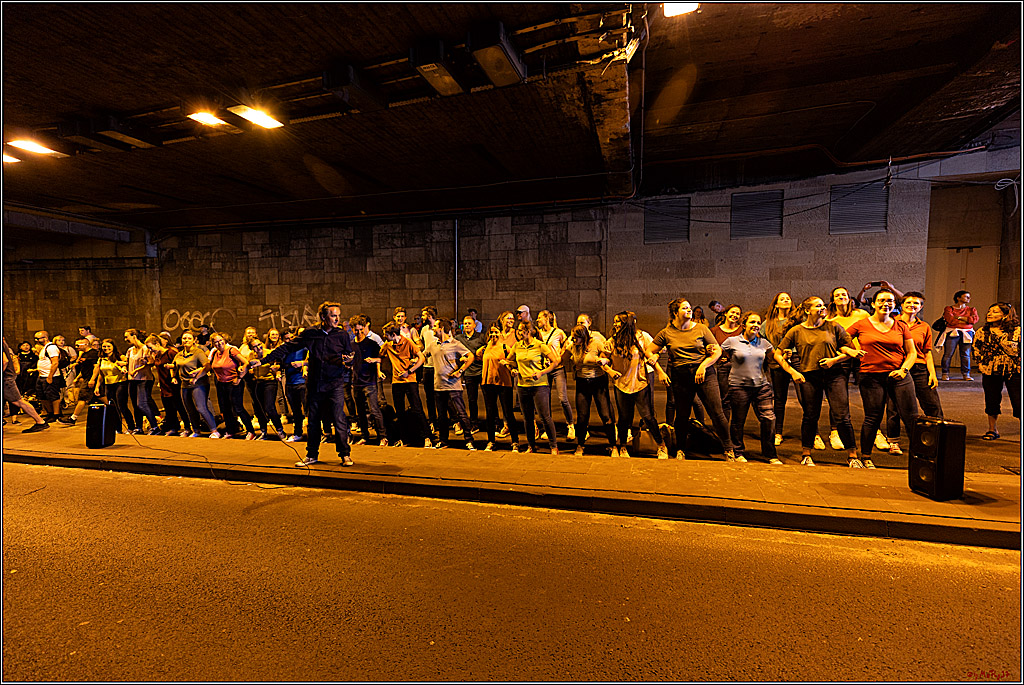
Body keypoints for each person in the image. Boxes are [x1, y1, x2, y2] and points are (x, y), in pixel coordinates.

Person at [257, 302, 356, 467]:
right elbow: (287, 347)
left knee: (339, 419)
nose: (337, 319)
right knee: (313, 420)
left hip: (335, 383)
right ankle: (312, 455)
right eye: (333, 315)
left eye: (338, 315)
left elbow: (349, 356)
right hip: (315, 384)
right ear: (323, 317)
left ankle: (345, 455)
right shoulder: (311, 334)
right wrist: (262, 361)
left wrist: (349, 361)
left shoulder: (342, 335)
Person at [774, 296, 860, 467]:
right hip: (809, 376)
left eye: (823, 305)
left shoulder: (834, 326)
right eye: (817, 306)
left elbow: (849, 350)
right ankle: (806, 453)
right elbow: (778, 353)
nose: (822, 308)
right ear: (807, 310)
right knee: (810, 415)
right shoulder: (796, 331)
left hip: (834, 375)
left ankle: (852, 455)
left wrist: (834, 360)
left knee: (842, 415)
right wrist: (792, 371)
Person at [649, 298, 735, 461]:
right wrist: (659, 369)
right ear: (675, 313)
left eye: (689, 308)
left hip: (704, 373)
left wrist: (703, 366)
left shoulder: (702, 329)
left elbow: (717, 351)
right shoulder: (667, 332)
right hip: (680, 375)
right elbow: (649, 351)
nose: (689, 310)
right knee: (682, 414)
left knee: (717, 412)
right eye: (685, 308)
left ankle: (729, 449)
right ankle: (681, 449)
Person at [846, 289, 918, 468]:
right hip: (871, 377)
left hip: (898, 375)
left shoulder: (901, 326)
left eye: (890, 301)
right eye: (882, 300)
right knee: (873, 417)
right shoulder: (861, 325)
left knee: (911, 417)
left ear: (895, 304)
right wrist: (851, 351)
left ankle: (920, 458)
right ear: (873, 304)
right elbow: (840, 341)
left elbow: (912, 353)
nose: (886, 304)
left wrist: (903, 370)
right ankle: (866, 457)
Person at [602, 312, 670, 459]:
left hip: (640, 383)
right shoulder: (613, 341)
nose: (615, 324)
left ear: (626, 323)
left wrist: (660, 371)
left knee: (647, 416)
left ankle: (661, 445)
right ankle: (623, 447)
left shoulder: (641, 337)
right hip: (621, 383)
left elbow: (654, 352)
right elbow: (603, 359)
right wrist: (609, 370)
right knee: (624, 417)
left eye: (618, 322)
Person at [884, 291, 943, 453]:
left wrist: (932, 373)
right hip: (898, 368)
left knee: (932, 406)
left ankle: (937, 439)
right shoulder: (891, 322)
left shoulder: (924, 326)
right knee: (894, 407)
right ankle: (894, 441)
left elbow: (927, 352)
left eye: (916, 303)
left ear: (921, 307)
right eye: (908, 303)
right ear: (901, 305)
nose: (912, 306)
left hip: (919, 369)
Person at [721, 312, 780, 464]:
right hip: (738, 387)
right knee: (738, 421)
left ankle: (770, 454)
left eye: (758, 322)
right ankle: (738, 451)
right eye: (752, 322)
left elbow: (775, 357)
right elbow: (717, 353)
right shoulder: (732, 341)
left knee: (769, 418)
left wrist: (788, 363)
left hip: (761, 386)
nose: (756, 325)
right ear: (744, 325)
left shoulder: (764, 343)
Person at [825, 286, 871, 450]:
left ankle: (875, 430)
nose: (841, 297)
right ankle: (835, 431)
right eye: (837, 295)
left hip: (861, 357)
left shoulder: (861, 314)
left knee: (869, 393)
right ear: (833, 300)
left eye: (844, 294)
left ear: (849, 297)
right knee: (838, 395)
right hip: (840, 358)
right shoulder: (829, 319)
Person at [506, 320, 560, 455]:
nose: (518, 333)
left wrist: (542, 372)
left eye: (520, 330)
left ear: (528, 331)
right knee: (527, 418)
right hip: (522, 385)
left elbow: (555, 362)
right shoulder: (517, 346)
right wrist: (513, 369)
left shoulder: (540, 345)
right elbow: (509, 360)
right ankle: (531, 445)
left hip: (539, 385)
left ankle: (553, 446)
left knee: (545, 417)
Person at [423, 317, 476, 450]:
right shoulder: (433, 344)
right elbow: (422, 355)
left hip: (453, 386)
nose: (433, 328)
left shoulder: (455, 343)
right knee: (441, 415)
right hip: (438, 386)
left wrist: (460, 371)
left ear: (441, 329)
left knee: (461, 413)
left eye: (435, 326)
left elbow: (470, 356)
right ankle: (443, 440)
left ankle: (469, 440)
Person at [973, 303, 1021, 440]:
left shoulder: (1017, 331)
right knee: (992, 399)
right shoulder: (982, 331)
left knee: (1018, 402)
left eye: (995, 312)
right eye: (989, 311)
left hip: (1014, 370)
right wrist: (981, 364)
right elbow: (976, 349)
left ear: (1006, 315)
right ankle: (992, 429)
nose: (990, 314)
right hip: (990, 370)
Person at [567, 324, 615, 456]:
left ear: (583, 337)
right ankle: (580, 445)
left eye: (576, 338)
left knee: (606, 415)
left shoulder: (596, 343)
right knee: (582, 416)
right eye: (572, 338)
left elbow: (608, 358)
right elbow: (561, 358)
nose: (573, 340)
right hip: (582, 383)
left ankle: (613, 445)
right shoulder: (573, 347)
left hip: (598, 382)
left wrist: (604, 360)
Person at [381, 322, 431, 447]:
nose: (385, 337)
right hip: (396, 381)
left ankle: (427, 437)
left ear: (393, 334)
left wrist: (410, 370)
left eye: (386, 335)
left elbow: (421, 357)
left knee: (417, 408)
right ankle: (404, 438)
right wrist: (377, 369)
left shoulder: (408, 342)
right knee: (399, 410)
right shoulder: (388, 345)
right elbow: (379, 356)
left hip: (409, 380)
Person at [763, 292, 803, 448]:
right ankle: (777, 432)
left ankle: (814, 433)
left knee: (805, 398)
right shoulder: (768, 324)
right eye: (782, 299)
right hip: (777, 363)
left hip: (797, 361)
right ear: (776, 304)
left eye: (788, 298)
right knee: (779, 399)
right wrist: (776, 354)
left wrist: (791, 352)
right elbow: (764, 343)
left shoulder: (799, 321)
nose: (786, 300)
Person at [206, 332, 256, 440]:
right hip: (221, 383)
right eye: (216, 342)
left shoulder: (231, 351)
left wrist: (239, 377)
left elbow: (246, 363)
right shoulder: (214, 353)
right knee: (225, 408)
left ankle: (251, 431)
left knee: (238, 408)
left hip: (234, 383)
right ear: (213, 344)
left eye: (220, 341)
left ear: (224, 340)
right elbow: (209, 366)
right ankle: (230, 431)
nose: (219, 343)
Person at [478, 323, 519, 452]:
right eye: (491, 332)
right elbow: (478, 356)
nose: (494, 335)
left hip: (503, 383)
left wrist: (511, 368)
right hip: (488, 383)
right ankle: (491, 441)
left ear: (500, 334)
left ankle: (515, 442)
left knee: (508, 413)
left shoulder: (506, 348)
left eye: (496, 333)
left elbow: (513, 361)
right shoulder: (484, 349)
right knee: (490, 413)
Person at [171, 330, 219, 438]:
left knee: (201, 407)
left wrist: (197, 377)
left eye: (189, 338)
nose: (186, 340)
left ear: (194, 340)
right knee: (189, 409)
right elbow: (174, 365)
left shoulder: (198, 352)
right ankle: (196, 430)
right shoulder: (179, 354)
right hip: (184, 384)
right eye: (184, 338)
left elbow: (207, 366)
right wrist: (173, 376)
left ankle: (214, 431)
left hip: (199, 384)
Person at [535, 310, 575, 441]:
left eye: (540, 318)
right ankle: (548, 427)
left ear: (547, 319)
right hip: (544, 369)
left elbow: (566, 346)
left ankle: (570, 425)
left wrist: (560, 357)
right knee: (545, 399)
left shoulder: (558, 332)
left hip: (557, 368)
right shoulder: (537, 334)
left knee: (562, 398)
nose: (537, 320)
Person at [349, 315, 387, 446]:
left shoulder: (372, 344)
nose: (358, 332)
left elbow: (382, 357)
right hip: (356, 381)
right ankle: (365, 436)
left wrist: (375, 361)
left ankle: (383, 436)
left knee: (374, 410)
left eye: (360, 329)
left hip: (370, 381)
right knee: (360, 412)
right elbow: (348, 362)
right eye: (356, 330)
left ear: (365, 328)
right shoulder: (351, 345)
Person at [145, 334, 191, 436]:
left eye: (150, 347)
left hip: (173, 383)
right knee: (168, 407)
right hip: (163, 384)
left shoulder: (171, 352)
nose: (150, 350)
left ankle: (188, 428)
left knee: (179, 406)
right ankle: (174, 427)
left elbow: (179, 364)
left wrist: (174, 376)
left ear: (157, 344)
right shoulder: (157, 355)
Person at [3, 337, 49, 432]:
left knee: (18, 401)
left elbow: (5, 361)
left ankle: (40, 422)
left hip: (5, 378)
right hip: (6, 377)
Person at [89, 339, 134, 434]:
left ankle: (131, 426)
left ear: (113, 347)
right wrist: (97, 386)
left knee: (121, 405)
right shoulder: (101, 358)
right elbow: (101, 374)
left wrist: (124, 366)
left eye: (109, 346)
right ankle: (118, 428)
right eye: (104, 346)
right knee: (112, 406)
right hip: (108, 384)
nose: (106, 348)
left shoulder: (119, 356)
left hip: (120, 383)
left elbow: (129, 363)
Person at [710, 304, 743, 425]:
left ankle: (736, 427)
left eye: (737, 314)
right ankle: (724, 428)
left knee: (739, 399)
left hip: (739, 368)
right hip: (723, 368)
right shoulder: (714, 331)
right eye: (732, 312)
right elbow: (709, 348)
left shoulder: (742, 330)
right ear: (725, 313)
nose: (734, 315)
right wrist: (717, 359)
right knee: (725, 399)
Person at [124, 328, 161, 434]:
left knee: (142, 404)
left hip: (144, 379)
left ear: (134, 336)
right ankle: (138, 427)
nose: (125, 339)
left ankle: (155, 426)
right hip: (132, 379)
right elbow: (127, 363)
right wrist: (125, 369)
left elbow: (150, 362)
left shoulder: (145, 348)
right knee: (135, 405)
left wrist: (137, 369)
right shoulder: (130, 350)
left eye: (127, 336)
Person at [454, 315, 486, 435]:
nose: (467, 325)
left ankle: (495, 423)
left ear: (474, 325)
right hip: (468, 372)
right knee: (472, 399)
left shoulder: (481, 337)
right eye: (465, 324)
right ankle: (474, 423)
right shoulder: (459, 338)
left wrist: (481, 350)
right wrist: (460, 359)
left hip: (481, 370)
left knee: (488, 398)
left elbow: (488, 347)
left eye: (469, 323)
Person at [57, 338, 101, 426]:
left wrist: (92, 379)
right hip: (85, 378)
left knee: (82, 398)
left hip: (90, 379)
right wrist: (77, 377)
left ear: (85, 344)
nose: (76, 347)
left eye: (78, 345)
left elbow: (96, 367)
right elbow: (84, 368)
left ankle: (73, 418)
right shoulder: (84, 354)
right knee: (101, 397)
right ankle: (115, 412)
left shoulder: (93, 354)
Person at [940, 290, 979, 381]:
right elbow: (951, 320)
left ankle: (966, 374)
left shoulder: (971, 309)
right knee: (948, 353)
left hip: (967, 332)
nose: (968, 298)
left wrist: (958, 317)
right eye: (966, 296)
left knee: (966, 354)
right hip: (952, 332)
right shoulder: (949, 309)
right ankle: (945, 373)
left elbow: (974, 320)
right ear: (958, 298)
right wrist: (966, 320)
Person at [280, 330, 308, 442]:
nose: (290, 340)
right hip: (290, 383)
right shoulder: (283, 350)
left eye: (291, 337)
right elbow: (280, 364)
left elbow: (312, 360)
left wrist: (302, 363)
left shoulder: (303, 348)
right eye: (287, 338)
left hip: (302, 383)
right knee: (296, 411)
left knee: (309, 410)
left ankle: (315, 434)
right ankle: (298, 433)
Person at [32, 331, 64, 424]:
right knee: (43, 396)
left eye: (39, 338)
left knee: (53, 395)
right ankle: (50, 413)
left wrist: (50, 376)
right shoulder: (44, 348)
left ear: (45, 337)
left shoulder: (52, 347)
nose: (37, 340)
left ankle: (56, 414)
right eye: (36, 338)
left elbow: (55, 362)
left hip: (51, 376)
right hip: (42, 376)